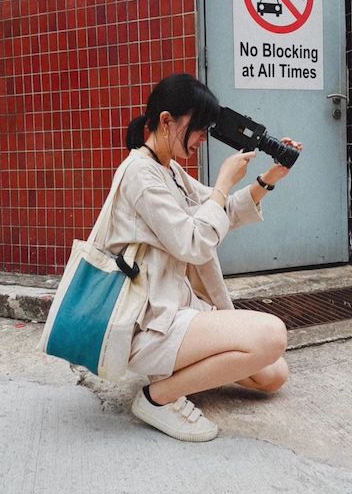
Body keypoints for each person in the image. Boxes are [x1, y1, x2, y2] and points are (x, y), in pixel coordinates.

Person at [104, 73, 302, 442]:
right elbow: (194, 243)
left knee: (274, 374)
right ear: (166, 121)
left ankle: (175, 373)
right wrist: (224, 182)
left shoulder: (169, 170)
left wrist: (267, 179)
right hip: (149, 321)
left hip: (180, 309)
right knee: (271, 335)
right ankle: (157, 397)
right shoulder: (140, 175)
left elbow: (219, 212)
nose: (201, 139)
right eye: (197, 129)